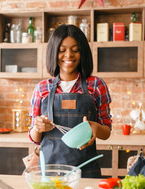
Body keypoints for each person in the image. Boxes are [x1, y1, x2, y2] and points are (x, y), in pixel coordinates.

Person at [28, 24, 112, 178]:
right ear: (54, 52)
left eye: (75, 50)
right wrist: (38, 127)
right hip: (50, 171)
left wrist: (94, 126)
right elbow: (34, 138)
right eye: (62, 50)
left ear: (83, 52)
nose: (69, 55)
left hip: (86, 170)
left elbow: (106, 132)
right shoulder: (42, 88)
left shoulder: (96, 85)